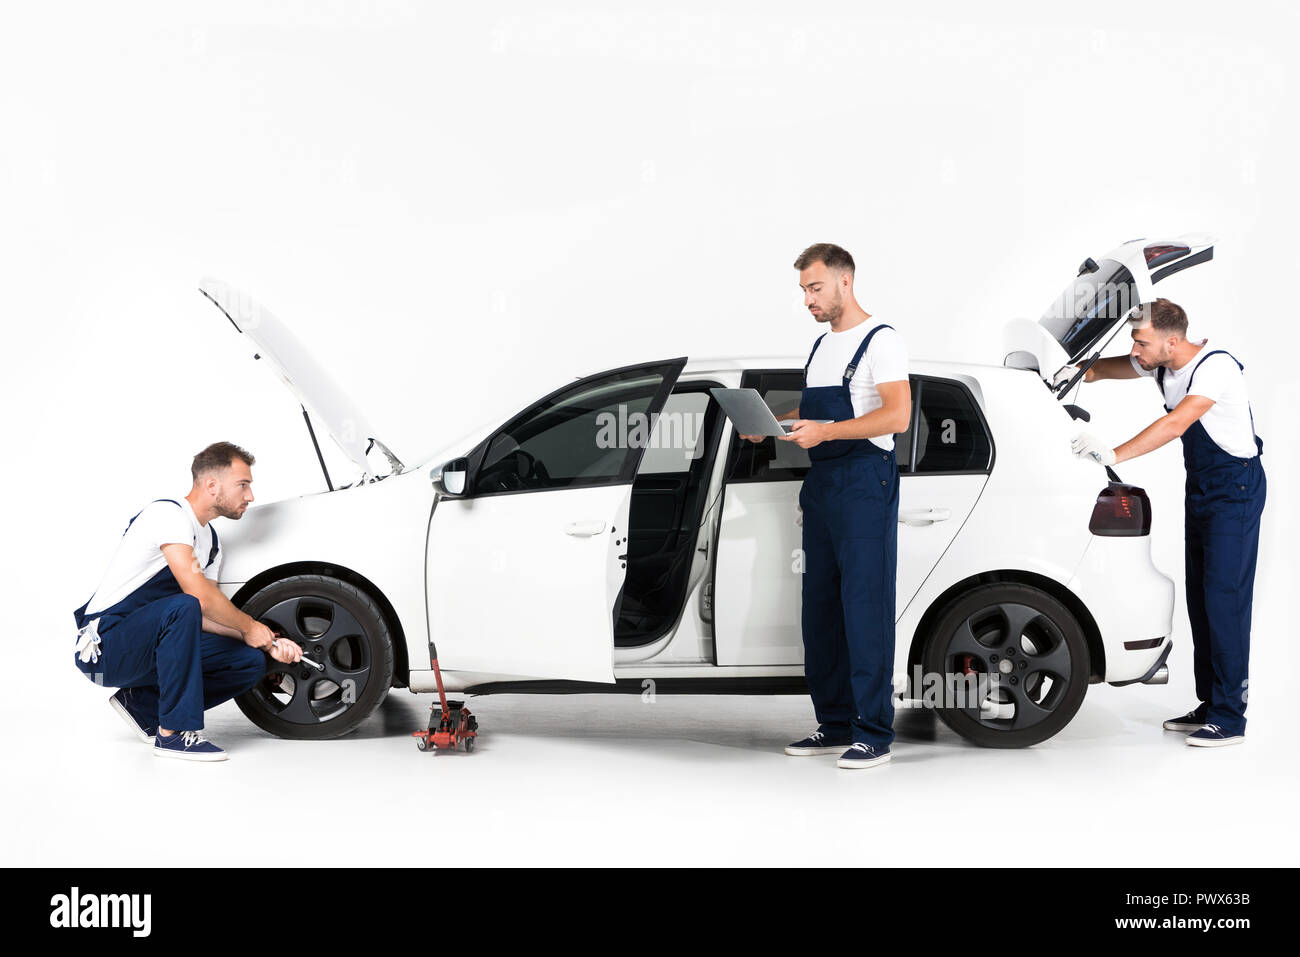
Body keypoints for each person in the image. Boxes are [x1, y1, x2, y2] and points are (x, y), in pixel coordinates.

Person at [1070, 299, 1265, 748]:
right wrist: (1067, 371)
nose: (1134, 351)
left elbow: (1176, 423)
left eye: (1141, 342)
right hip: (1204, 488)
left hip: (1235, 490)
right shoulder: (1159, 362)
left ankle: (1230, 717)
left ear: (1172, 342)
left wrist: (1113, 454)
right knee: (1201, 599)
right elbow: (1100, 371)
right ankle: (1210, 704)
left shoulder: (1215, 368)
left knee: (1225, 601)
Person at [749, 243, 911, 769]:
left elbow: (897, 416)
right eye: (803, 290)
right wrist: (774, 423)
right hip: (822, 486)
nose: (808, 300)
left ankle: (874, 734)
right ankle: (835, 723)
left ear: (845, 281)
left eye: (814, 288)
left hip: (865, 483)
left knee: (865, 610)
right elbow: (817, 409)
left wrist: (826, 431)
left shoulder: (882, 341)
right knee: (820, 610)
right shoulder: (822, 345)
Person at [73, 442, 303, 761]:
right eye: (243, 484)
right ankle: (173, 733)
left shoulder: (211, 543)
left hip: (150, 647)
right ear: (211, 485)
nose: (250, 496)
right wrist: (250, 627)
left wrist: (266, 642)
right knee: (185, 605)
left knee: (249, 661)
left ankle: (141, 705)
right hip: (105, 649)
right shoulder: (167, 515)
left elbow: (207, 617)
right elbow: (198, 599)